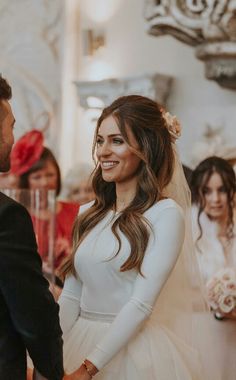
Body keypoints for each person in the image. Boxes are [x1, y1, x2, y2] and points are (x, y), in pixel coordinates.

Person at [58, 95, 205, 379]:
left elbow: (140, 304)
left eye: (117, 140)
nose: (102, 151)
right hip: (77, 340)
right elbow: (70, 297)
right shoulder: (87, 212)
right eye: (100, 141)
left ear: (145, 148)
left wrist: (88, 368)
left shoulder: (165, 214)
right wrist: (48, 354)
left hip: (131, 352)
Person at [0, 78, 63, 378]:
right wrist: (51, 370)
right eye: (11, 126)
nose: (13, 138)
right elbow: (33, 317)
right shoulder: (7, 215)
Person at [191, 156, 236, 380]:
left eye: (222, 190)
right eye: (207, 191)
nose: (215, 199)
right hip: (203, 334)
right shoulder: (190, 236)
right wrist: (217, 306)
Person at [10, 130, 80, 271]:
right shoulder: (19, 216)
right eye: (37, 177)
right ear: (26, 181)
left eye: (50, 175)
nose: (45, 182)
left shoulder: (77, 210)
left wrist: (72, 254)